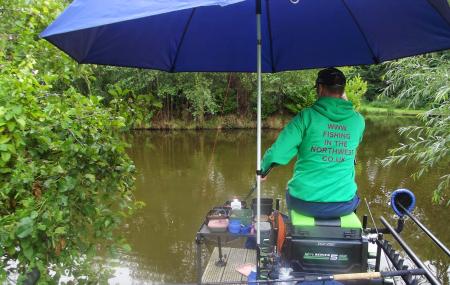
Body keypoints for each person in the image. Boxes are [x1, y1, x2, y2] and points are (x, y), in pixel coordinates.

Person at [260, 67, 365, 219]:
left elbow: (278, 153)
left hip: (304, 202)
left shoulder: (306, 117)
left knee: (291, 190)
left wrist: (263, 170)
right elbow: (353, 145)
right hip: (343, 204)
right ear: (343, 91)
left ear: (320, 88)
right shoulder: (358, 121)